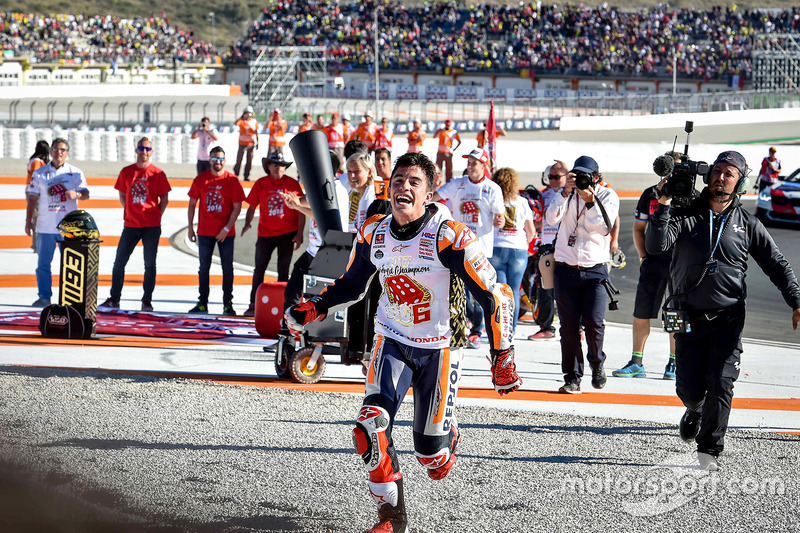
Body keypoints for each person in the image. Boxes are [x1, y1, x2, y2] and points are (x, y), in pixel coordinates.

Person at [284, 151, 521, 533]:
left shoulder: (449, 236)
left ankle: (446, 436)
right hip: (391, 340)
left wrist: (502, 355)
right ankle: (393, 521)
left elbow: (496, 296)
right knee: (368, 428)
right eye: (398, 181)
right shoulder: (374, 233)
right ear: (388, 188)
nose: (404, 188)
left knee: (433, 460)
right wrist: (314, 307)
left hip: (439, 346)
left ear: (429, 194)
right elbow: (351, 285)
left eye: (414, 182)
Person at [647, 150, 800, 471]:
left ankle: (709, 451)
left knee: (722, 381)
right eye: (717, 171)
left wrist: (796, 300)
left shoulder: (748, 224)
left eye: (729, 173)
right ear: (708, 176)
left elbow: (778, 265)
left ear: (740, 181)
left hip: (728, 318)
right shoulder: (685, 213)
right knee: (687, 387)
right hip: (684, 314)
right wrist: (662, 205)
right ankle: (696, 408)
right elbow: (656, 245)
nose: (720, 177)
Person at [546, 155, 620, 394]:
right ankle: (572, 377)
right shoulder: (568, 195)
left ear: (596, 177)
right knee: (568, 328)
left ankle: (597, 363)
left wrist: (590, 200)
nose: (580, 180)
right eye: (576, 175)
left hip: (595, 270)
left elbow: (601, 226)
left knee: (594, 324)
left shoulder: (608, 195)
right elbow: (550, 218)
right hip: (566, 268)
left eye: (585, 176)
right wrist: (565, 192)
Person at [614, 151, 687, 379]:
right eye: (669, 169)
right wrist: (643, 256)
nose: (673, 174)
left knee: (676, 313)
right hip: (654, 261)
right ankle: (637, 361)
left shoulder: (690, 196)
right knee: (641, 311)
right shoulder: (650, 195)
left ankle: (674, 364)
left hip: (680, 264)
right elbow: (638, 229)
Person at [432, 147, 504, 349]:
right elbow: (435, 197)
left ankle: (477, 330)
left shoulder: (492, 188)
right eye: (469, 163)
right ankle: (465, 328)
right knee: (458, 291)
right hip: (457, 245)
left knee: (477, 290)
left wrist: (500, 219)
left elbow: (501, 216)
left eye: (474, 163)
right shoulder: (458, 184)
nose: (470, 166)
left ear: (484, 166)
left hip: (480, 248)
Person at [101, 137, 171, 311]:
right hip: (131, 225)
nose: (144, 152)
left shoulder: (158, 174)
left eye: (147, 149)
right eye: (141, 148)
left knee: (149, 264)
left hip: (151, 226)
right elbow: (123, 195)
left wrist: (156, 214)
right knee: (119, 262)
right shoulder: (127, 172)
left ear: (151, 152)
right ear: (136, 150)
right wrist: (130, 210)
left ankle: (147, 299)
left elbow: (165, 198)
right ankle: (114, 298)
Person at [25, 138, 90, 307]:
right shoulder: (40, 173)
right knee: (43, 265)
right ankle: (44, 297)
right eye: (55, 149)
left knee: (71, 265)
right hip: (45, 226)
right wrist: (28, 220)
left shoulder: (75, 173)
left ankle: (71, 299)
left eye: (62, 149)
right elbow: (32, 198)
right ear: (51, 151)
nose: (58, 152)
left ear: (67, 153)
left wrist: (77, 194)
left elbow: (86, 193)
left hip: (69, 227)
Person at [242, 153, 305, 317]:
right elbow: (251, 206)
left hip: (287, 234)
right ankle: (253, 303)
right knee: (259, 269)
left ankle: (282, 305)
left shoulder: (293, 184)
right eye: (275, 164)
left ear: (285, 168)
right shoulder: (261, 183)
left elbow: (301, 211)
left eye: (281, 165)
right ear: (268, 167)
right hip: (265, 234)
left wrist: (299, 233)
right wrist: (247, 223)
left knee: (283, 271)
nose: (278, 167)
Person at [187, 147, 246, 316]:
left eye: (220, 159)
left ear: (225, 160)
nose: (217, 162)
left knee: (227, 269)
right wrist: (191, 227)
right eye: (214, 159)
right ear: (209, 160)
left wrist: (227, 228)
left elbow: (237, 207)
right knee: (203, 268)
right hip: (205, 231)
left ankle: (228, 303)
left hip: (226, 233)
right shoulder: (201, 179)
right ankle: (202, 303)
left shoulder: (232, 180)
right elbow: (192, 204)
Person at [489, 167, 535, 336]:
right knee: (514, 291)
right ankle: (512, 330)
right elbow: (530, 231)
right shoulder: (522, 202)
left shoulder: (493, 201)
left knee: (500, 291)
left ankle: (499, 330)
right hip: (518, 248)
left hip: (497, 247)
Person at [528, 160, 568, 341]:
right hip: (546, 244)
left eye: (557, 177)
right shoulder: (543, 196)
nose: (552, 180)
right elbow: (538, 221)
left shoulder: (572, 194)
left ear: (566, 177)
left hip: (567, 244)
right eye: (550, 177)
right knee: (545, 287)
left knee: (570, 287)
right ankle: (546, 327)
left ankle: (579, 327)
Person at [343, 152, 378, 233]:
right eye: (349, 171)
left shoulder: (372, 196)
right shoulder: (359, 193)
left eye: (356, 171)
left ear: (369, 172)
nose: (352, 176)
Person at [26, 140, 50, 250]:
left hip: (34, 190)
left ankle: (36, 244)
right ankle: (37, 245)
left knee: (38, 217)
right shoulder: (37, 162)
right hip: (35, 191)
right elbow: (37, 177)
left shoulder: (34, 160)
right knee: (38, 218)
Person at [233, 105, 259, 181]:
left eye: (250, 113)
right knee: (239, 159)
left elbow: (256, 132)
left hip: (251, 143)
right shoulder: (242, 121)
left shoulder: (254, 121)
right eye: (247, 113)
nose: (248, 115)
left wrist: (258, 142)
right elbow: (235, 123)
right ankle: (236, 173)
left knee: (249, 160)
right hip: (242, 143)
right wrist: (242, 116)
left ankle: (246, 175)